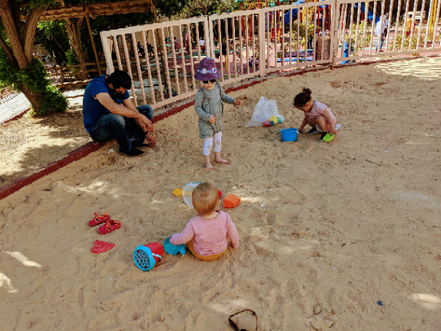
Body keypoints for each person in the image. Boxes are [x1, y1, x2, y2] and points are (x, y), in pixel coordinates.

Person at [82, 70, 156, 156]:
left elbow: (133, 110)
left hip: (115, 126)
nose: (123, 93)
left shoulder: (119, 88)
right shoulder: (97, 85)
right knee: (116, 118)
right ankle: (126, 149)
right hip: (97, 130)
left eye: (124, 91)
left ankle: (135, 139)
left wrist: (146, 132)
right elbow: (114, 108)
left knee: (146, 110)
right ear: (111, 85)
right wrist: (141, 116)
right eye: (120, 91)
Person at [193, 57, 243, 170]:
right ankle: (207, 161)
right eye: (206, 81)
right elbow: (197, 107)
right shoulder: (201, 92)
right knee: (208, 143)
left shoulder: (218, 87)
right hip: (206, 122)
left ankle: (217, 157)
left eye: (212, 80)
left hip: (218, 120)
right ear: (201, 80)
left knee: (218, 140)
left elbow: (224, 97)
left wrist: (234, 101)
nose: (209, 83)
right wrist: (207, 117)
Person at [169, 182, 240, 261]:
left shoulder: (193, 223)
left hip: (202, 254)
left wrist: (172, 239)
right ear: (218, 203)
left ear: (193, 205)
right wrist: (235, 245)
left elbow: (183, 238)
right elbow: (233, 233)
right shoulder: (225, 217)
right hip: (221, 250)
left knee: (189, 239)